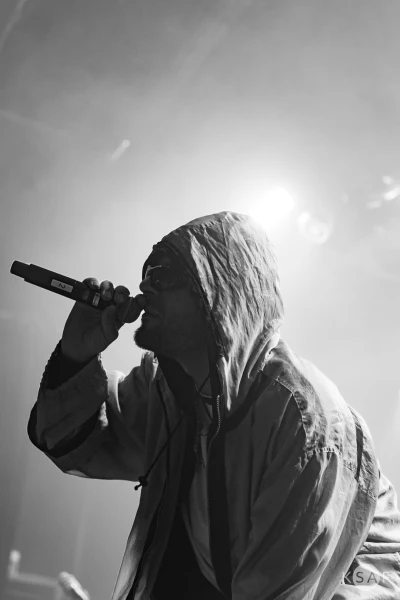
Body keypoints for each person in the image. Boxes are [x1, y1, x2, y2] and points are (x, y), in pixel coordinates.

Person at [28, 211, 400, 600]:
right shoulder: (169, 388)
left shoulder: (303, 422)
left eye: (163, 275)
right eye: (145, 273)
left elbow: (277, 591)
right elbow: (80, 445)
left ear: (220, 289)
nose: (144, 286)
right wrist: (75, 355)